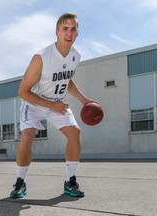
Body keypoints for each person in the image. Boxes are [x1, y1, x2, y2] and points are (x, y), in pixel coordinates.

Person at [10, 12, 94, 198]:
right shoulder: (41, 57)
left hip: (56, 103)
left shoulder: (75, 56)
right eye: (65, 28)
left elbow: (67, 81)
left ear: (77, 33)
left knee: (75, 132)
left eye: (73, 29)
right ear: (57, 31)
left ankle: (70, 181)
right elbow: (23, 91)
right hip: (33, 102)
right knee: (28, 135)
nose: (69, 33)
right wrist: (50, 105)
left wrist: (84, 100)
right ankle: (19, 182)